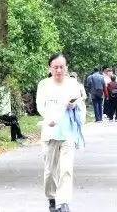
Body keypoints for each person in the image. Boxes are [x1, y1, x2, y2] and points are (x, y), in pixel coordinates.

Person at [37, 53, 86, 212]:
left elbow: (78, 101)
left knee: (66, 169)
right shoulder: (44, 85)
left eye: (62, 67)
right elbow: (40, 106)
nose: (59, 70)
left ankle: (64, 202)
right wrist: (49, 118)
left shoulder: (72, 83)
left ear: (66, 68)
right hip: (50, 133)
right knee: (50, 172)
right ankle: (51, 198)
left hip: (68, 133)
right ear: (50, 68)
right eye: (55, 67)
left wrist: (73, 104)